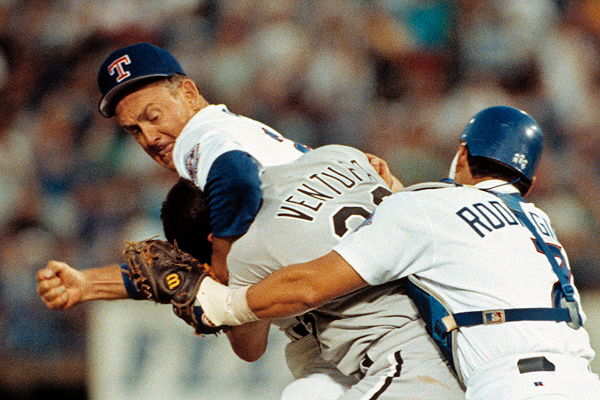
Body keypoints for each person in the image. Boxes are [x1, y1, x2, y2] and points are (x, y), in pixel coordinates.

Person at [192, 106, 600, 400]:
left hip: (514, 385)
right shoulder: (538, 219)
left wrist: (222, 304)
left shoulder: (429, 206)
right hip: (583, 381)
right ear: (529, 181)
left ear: (462, 153)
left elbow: (310, 286)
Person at [161, 145, 465, 400]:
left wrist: (209, 294)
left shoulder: (246, 251)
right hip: (450, 318)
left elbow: (249, 348)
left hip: (406, 355)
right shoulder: (335, 154)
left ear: (214, 240)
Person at [97, 41, 311, 283]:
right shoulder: (234, 127)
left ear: (188, 94)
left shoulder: (197, 134)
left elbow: (237, 177)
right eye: (134, 130)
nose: (148, 138)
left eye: (154, 116)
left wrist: (221, 261)